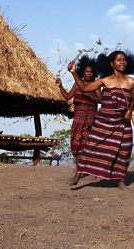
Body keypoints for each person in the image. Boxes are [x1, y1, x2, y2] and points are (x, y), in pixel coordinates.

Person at [66, 50, 134, 189]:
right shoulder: (104, 80)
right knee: (90, 147)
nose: (122, 62)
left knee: (123, 151)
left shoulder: (132, 82)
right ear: (112, 63)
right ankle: (77, 176)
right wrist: (74, 72)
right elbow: (84, 87)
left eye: (124, 59)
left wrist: (129, 111)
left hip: (122, 122)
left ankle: (121, 181)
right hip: (103, 122)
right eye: (119, 60)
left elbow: (132, 102)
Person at [56, 54, 101, 184]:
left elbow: (100, 99)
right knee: (78, 146)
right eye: (87, 71)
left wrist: (88, 94)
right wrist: (60, 86)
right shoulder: (77, 85)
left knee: (90, 145)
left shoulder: (95, 85)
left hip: (91, 118)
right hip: (78, 118)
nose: (89, 73)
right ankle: (79, 171)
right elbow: (67, 97)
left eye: (91, 71)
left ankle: (90, 171)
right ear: (83, 72)